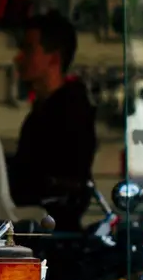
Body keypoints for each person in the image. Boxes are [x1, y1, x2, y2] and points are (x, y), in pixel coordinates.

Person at [9, 12, 98, 232]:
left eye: (29, 49)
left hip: (53, 233)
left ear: (54, 58)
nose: (18, 58)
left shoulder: (72, 112)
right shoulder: (40, 114)